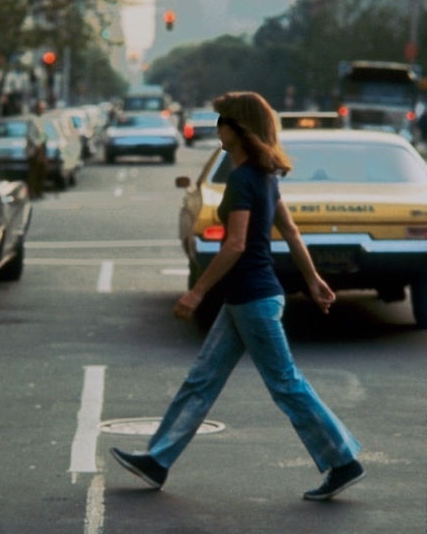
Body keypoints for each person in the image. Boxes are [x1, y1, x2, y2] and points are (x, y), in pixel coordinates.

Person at [110, 91, 365, 501]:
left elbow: (234, 245)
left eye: (222, 122)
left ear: (238, 130)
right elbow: (292, 232)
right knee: (202, 380)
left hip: (252, 299)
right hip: (248, 298)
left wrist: (196, 291)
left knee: (286, 384)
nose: (217, 129)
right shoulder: (262, 176)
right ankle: (157, 459)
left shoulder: (244, 179)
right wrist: (312, 278)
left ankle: (342, 460)